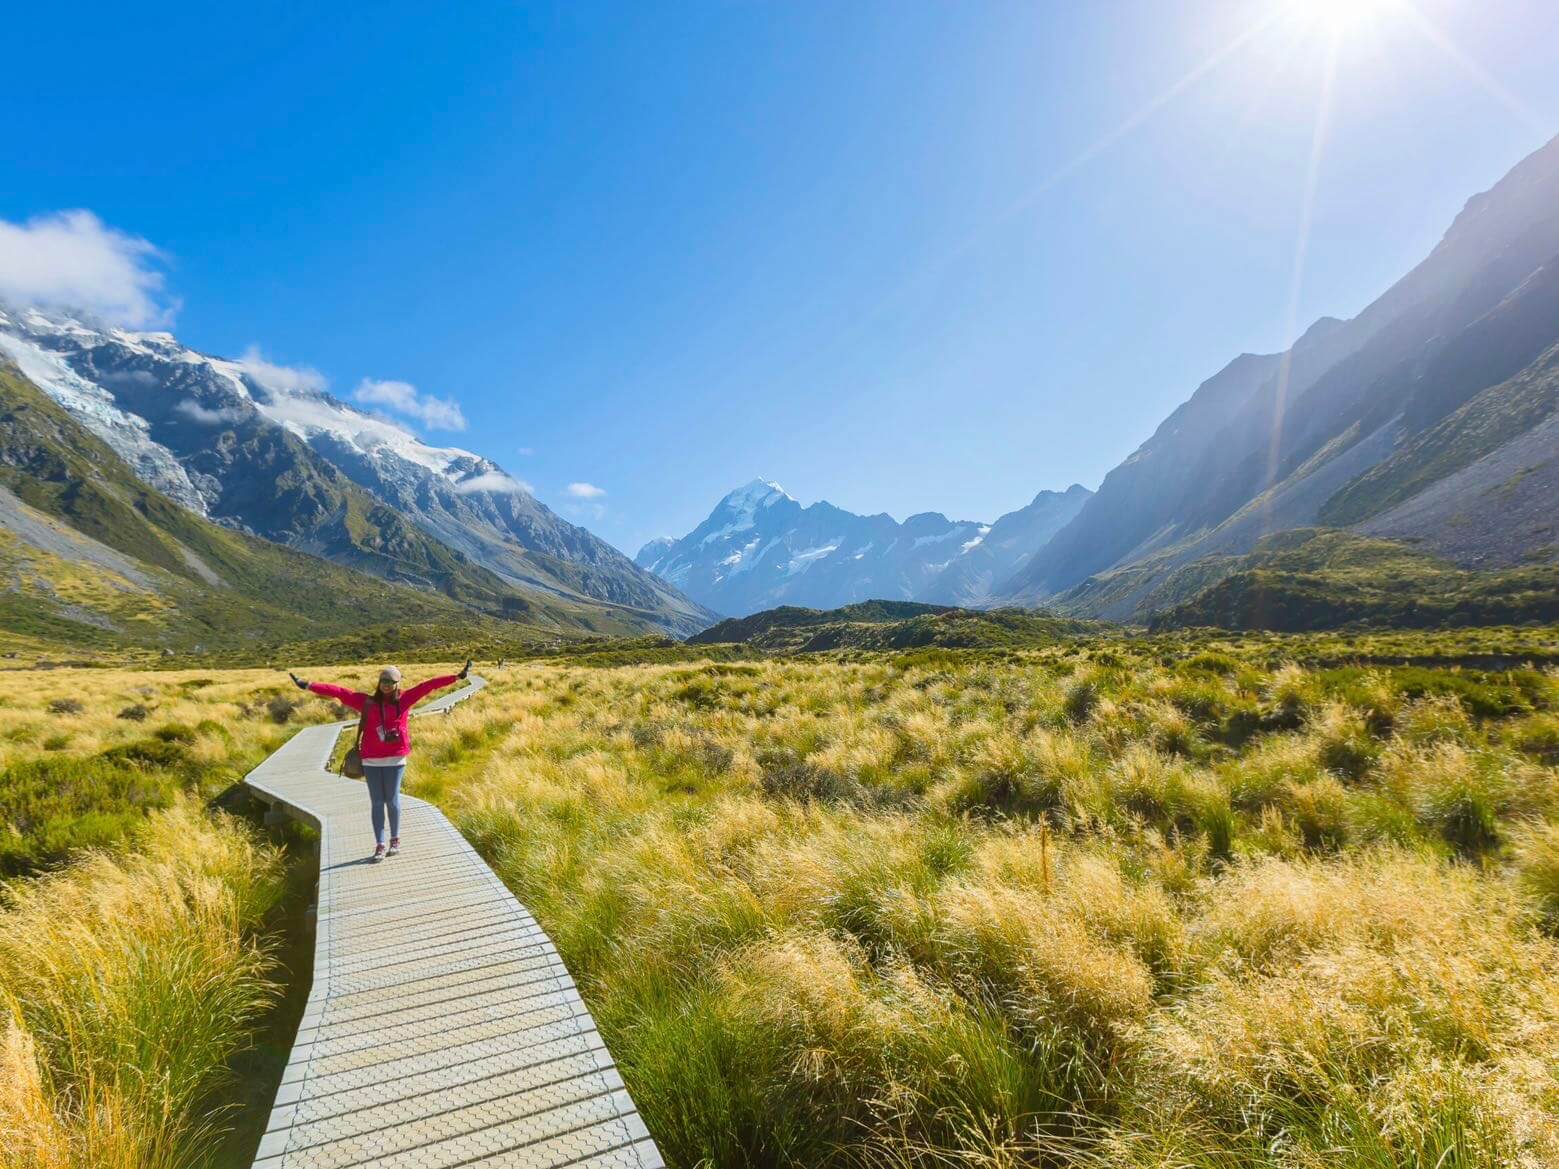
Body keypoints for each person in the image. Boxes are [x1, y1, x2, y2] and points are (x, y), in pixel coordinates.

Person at [287, 660, 473, 861]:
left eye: (390, 681)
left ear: (397, 684)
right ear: (379, 682)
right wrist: (308, 685)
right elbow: (339, 692)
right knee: (377, 802)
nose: (386, 684)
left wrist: (456, 677)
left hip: (395, 759)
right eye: (383, 680)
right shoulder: (367, 702)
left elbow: (428, 686)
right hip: (371, 760)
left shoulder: (405, 699)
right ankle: (380, 844)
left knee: (392, 801)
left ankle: (395, 840)